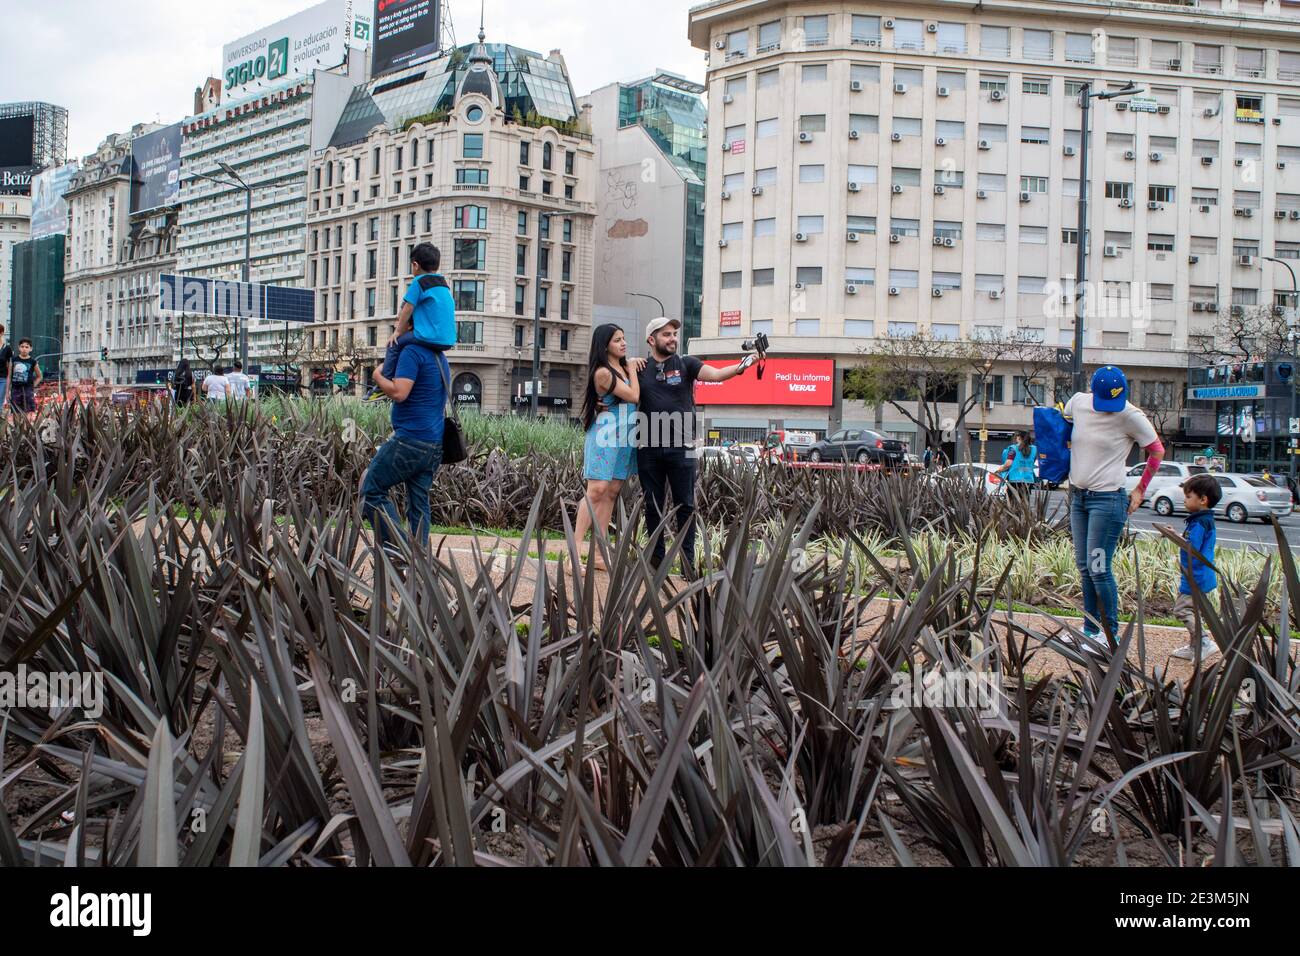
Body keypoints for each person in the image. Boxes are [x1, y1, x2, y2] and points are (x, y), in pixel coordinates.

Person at [636, 316, 757, 573]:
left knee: (686, 505)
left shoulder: (686, 364)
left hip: (682, 446)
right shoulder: (638, 367)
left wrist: (743, 365)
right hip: (647, 446)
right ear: (651, 339)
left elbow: (715, 375)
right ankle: (655, 564)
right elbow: (615, 386)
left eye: (674, 334)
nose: (673, 338)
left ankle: (688, 565)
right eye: (666, 334)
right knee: (652, 505)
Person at [1065, 365, 1164, 643]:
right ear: (1092, 392)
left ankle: (1110, 635)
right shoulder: (1079, 403)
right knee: (1085, 566)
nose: (1109, 408)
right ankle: (1090, 630)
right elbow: (1065, 424)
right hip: (1080, 499)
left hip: (1107, 502)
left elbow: (1156, 450)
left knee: (1098, 568)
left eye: (1114, 401)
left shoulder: (1130, 415)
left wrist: (1140, 490)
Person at [362, 337, 448, 550]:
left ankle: (399, 552)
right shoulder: (438, 355)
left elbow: (399, 392)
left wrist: (375, 375)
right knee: (419, 504)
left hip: (411, 440)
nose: (396, 326)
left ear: (410, 325)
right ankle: (419, 562)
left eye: (400, 319)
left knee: (371, 490)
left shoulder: (412, 351)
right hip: (434, 443)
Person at [574, 324, 643, 564]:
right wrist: (632, 368)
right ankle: (573, 553)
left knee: (612, 492)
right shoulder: (603, 372)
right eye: (617, 340)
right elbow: (634, 396)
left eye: (624, 339)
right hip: (605, 433)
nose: (623, 343)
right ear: (605, 346)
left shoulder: (621, 367)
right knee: (596, 491)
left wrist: (631, 366)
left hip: (625, 435)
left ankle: (599, 554)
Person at [366, 242, 455, 401]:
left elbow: (407, 308)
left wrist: (398, 332)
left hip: (427, 337)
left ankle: (381, 386)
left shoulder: (420, 282)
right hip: (446, 341)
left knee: (394, 345)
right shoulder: (443, 284)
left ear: (415, 265)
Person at [1168, 474, 1220, 661]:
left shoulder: (1198, 522)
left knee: (1181, 610)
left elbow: (1192, 547)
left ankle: (1204, 642)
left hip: (1195, 575)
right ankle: (1194, 646)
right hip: (1200, 574)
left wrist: (1175, 538)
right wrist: (1175, 535)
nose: (1185, 500)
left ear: (1203, 500)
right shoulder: (1204, 520)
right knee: (1193, 611)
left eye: (1189, 496)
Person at [995, 430, 1038, 497]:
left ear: (1019, 438)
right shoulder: (1034, 449)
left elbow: (1008, 464)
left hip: (1015, 480)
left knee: (1013, 502)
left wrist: (1000, 470)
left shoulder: (1013, 448)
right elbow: (1032, 461)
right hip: (1028, 480)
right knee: (1024, 501)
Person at [8, 339, 42, 416]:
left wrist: (33, 386)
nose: (24, 349)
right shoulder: (13, 360)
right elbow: (9, 377)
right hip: (15, 389)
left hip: (28, 390)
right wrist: (7, 392)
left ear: (30, 349)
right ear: (19, 348)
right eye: (22, 346)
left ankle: (27, 427)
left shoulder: (33, 362)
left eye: (27, 347)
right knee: (15, 412)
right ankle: (17, 427)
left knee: (28, 411)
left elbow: (40, 376)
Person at [0, 325, 11, 409]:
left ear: (2, 333)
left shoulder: (7, 349)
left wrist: (9, 381)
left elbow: (9, 367)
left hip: (2, 379)